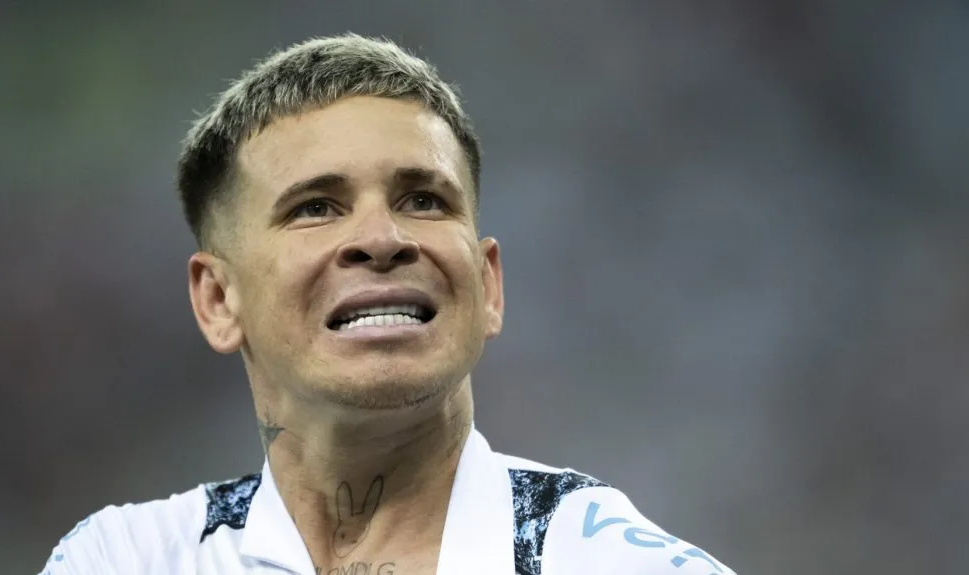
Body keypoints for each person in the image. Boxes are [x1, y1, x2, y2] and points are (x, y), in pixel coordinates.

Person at [40, 34, 735, 575]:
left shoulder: (610, 561)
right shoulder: (127, 557)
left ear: (489, 284)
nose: (382, 237)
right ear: (219, 299)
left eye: (423, 199)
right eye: (316, 207)